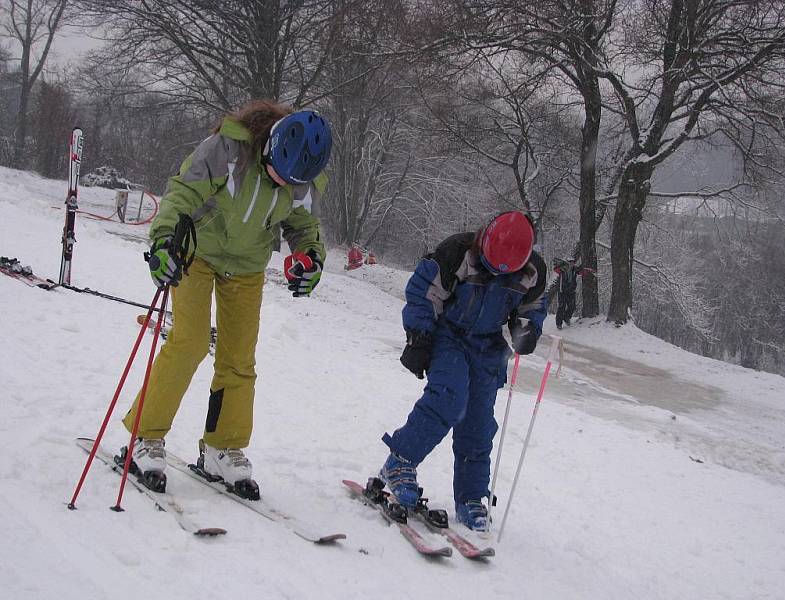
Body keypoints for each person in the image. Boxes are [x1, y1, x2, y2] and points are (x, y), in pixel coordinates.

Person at [120, 100, 332, 498]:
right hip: (197, 251)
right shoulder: (228, 149)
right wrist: (165, 240)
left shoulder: (304, 175)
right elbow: (182, 193)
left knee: (239, 357)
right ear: (269, 147)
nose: (284, 185)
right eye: (277, 175)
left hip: (248, 265)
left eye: (292, 182)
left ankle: (222, 446)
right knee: (190, 342)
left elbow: (304, 227)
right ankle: (144, 437)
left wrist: (310, 259)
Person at [375, 211, 548, 531]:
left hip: (488, 346)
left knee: (479, 421)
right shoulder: (456, 253)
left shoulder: (531, 272)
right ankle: (400, 462)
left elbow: (533, 307)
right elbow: (422, 293)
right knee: (449, 397)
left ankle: (471, 497)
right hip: (449, 335)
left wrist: (527, 330)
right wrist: (418, 338)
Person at [549, 257, 592, 330]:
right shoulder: (562, 269)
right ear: (567, 262)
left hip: (571, 290)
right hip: (562, 290)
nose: (571, 264)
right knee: (561, 307)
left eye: (573, 262)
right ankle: (559, 323)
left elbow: (581, 272)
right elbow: (556, 270)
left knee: (572, 306)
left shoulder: (574, 269)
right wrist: (559, 266)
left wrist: (586, 271)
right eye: (570, 262)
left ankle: (566, 318)